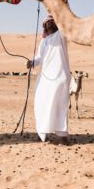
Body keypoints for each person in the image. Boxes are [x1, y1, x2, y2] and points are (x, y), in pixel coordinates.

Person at [26, 15, 71, 144]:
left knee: (60, 105)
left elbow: (64, 21)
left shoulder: (61, 36)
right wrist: (32, 62)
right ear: (44, 26)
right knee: (42, 103)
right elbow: (39, 58)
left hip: (60, 77)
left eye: (51, 22)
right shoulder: (44, 41)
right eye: (46, 22)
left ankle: (62, 135)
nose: (49, 24)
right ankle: (42, 132)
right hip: (45, 79)